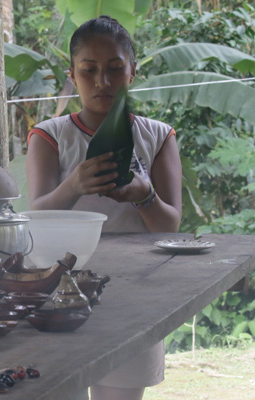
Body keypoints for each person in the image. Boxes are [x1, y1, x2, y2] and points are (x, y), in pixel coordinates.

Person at [25, 16, 182, 400]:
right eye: (89, 70)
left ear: (132, 71)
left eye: (114, 69)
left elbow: (171, 226)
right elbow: (36, 215)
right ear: (73, 74)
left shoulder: (158, 136)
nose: (102, 82)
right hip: (61, 286)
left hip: (134, 291)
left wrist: (143, 196)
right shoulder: (50, 135)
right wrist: (74, 186)